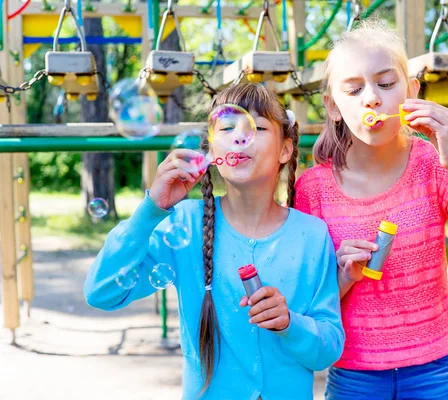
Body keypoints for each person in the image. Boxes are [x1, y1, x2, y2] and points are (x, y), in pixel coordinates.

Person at [295, 20, 448, 400]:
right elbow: (307, 305)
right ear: (334, 107)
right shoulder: (313, 189)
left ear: (412, 91)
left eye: (386, 84)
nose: (371, 98)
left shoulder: (432, 166)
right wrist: (344, 278)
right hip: (354, 375)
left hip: (434, 373)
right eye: (353, 89)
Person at [84, 83, 344, 400]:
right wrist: (152, 209)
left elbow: (327, 350)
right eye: (227, 127)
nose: (239, 136)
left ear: (285, 150)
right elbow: (102, 292)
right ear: (211, 151)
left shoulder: (313, 235)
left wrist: (291, 323)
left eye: (258, 127)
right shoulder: (186, 224)